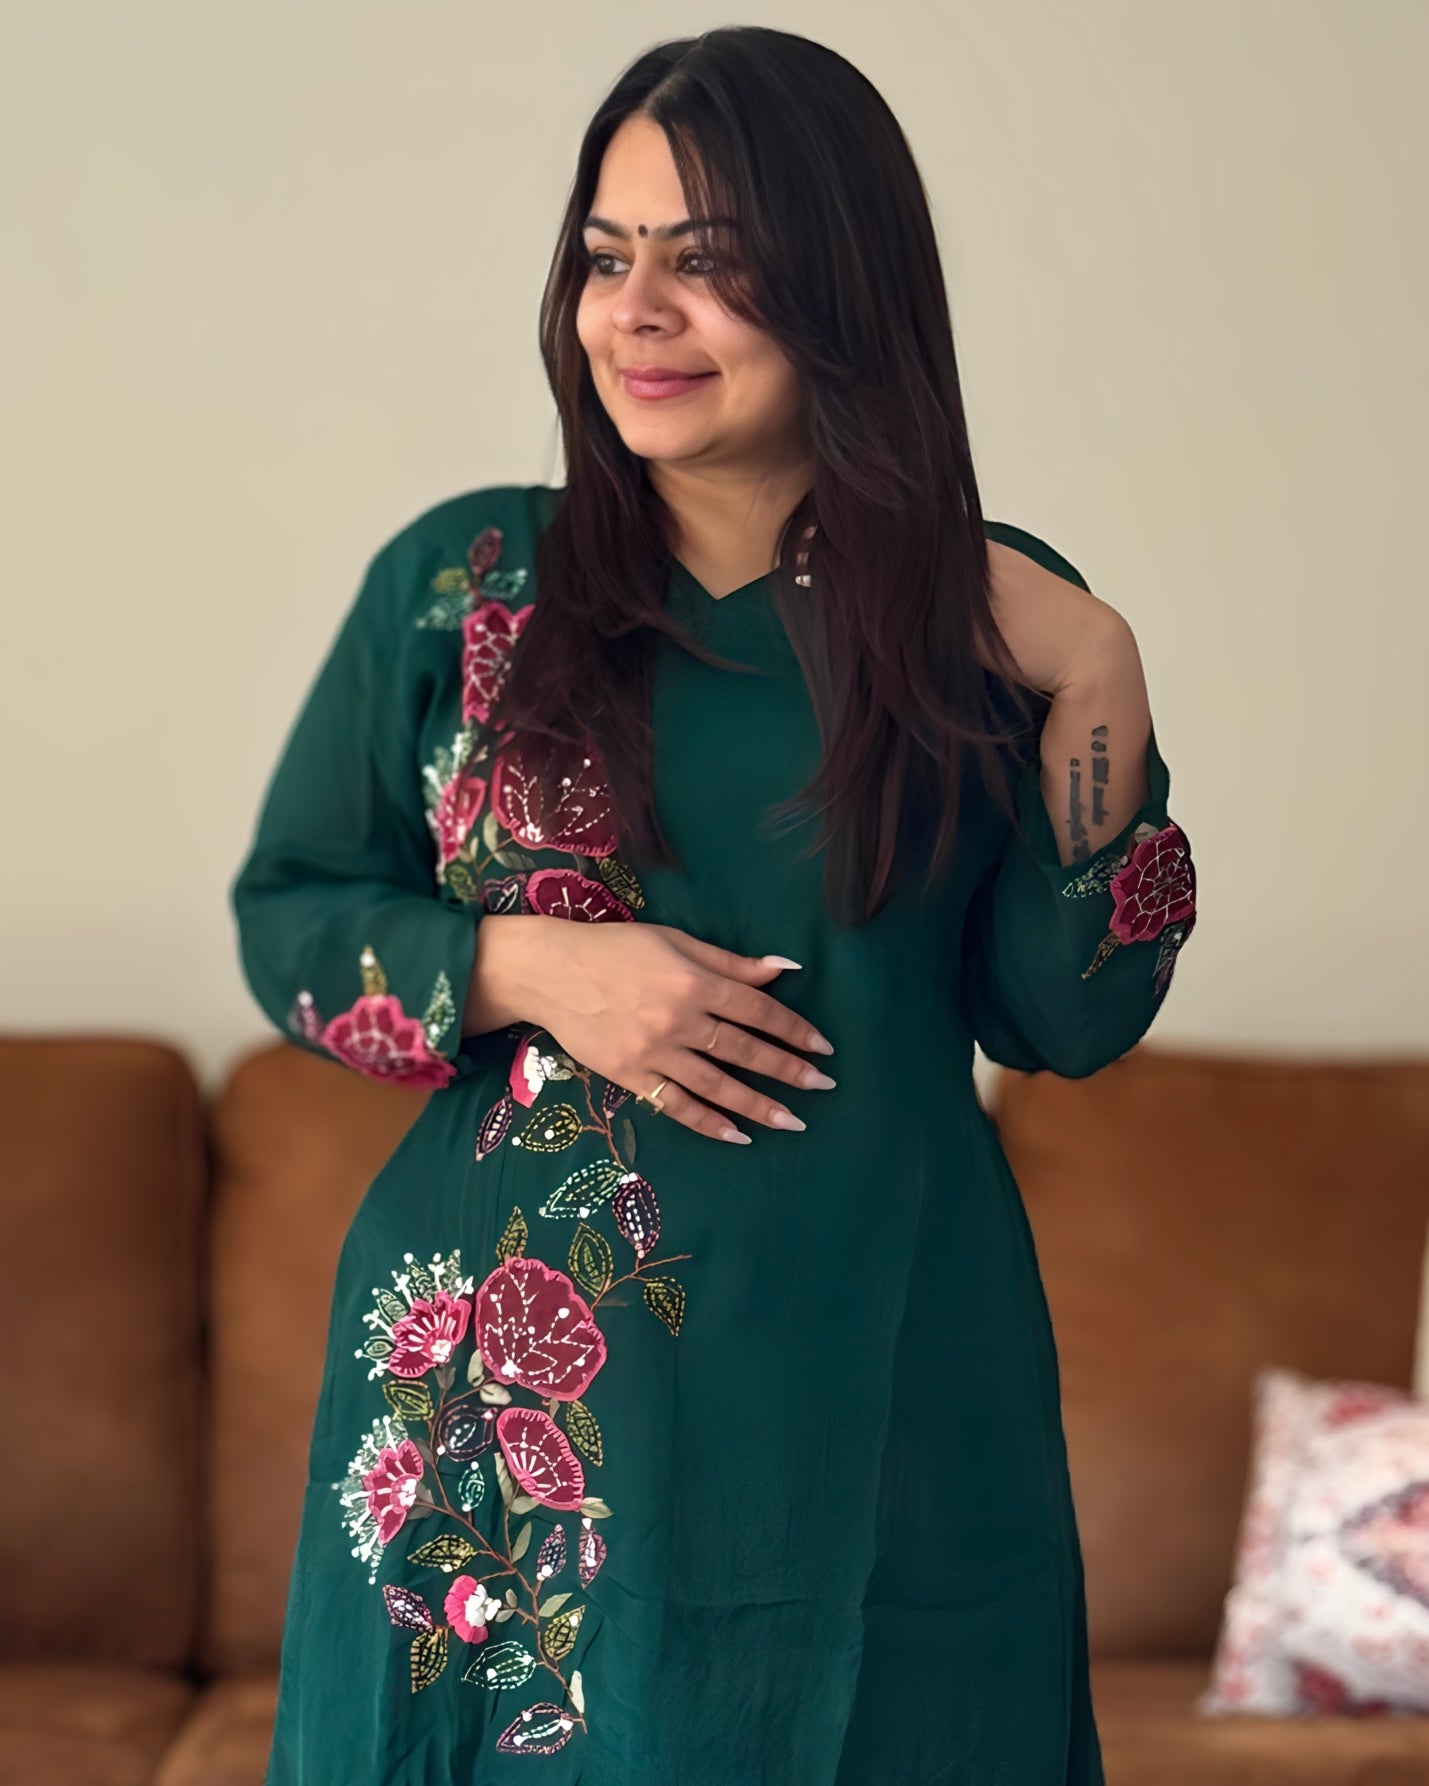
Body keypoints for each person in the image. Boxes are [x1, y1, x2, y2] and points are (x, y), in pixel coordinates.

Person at [231, 25, 1197, 1786]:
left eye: (710, 260)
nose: (636, 310)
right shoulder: (466, 584)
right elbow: (294, 920)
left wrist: (1099, 669)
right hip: (505, 1433)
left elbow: (1068, 1017)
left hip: (884, 1387)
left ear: (842, 286)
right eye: (607, 257)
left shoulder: (990, 615)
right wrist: (532, 966)